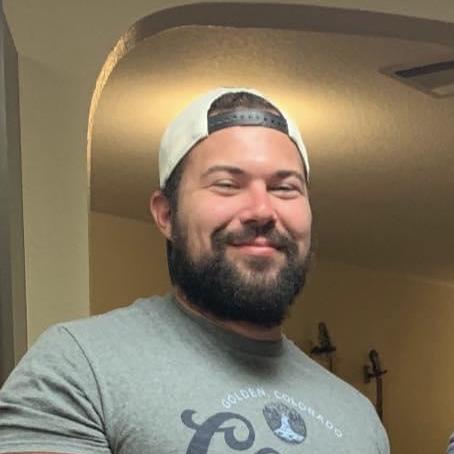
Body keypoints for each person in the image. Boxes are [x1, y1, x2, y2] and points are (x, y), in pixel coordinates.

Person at [0, 87, 389, 453]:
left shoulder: (359, 418)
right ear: (166, 214)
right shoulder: (80, 369)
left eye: (284, 188)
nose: (262, 210)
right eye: (227, 184)